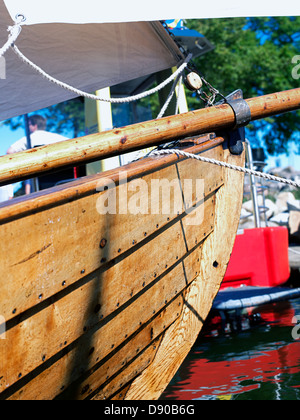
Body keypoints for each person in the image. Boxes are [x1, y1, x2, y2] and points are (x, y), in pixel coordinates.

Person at [7, 115, 70, 194]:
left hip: (40, 186)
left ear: (35, 126)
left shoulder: (29, 139)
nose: (27, 128)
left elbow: (9, 152)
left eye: (29, 125)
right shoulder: (58, 138)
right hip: (64, 182)